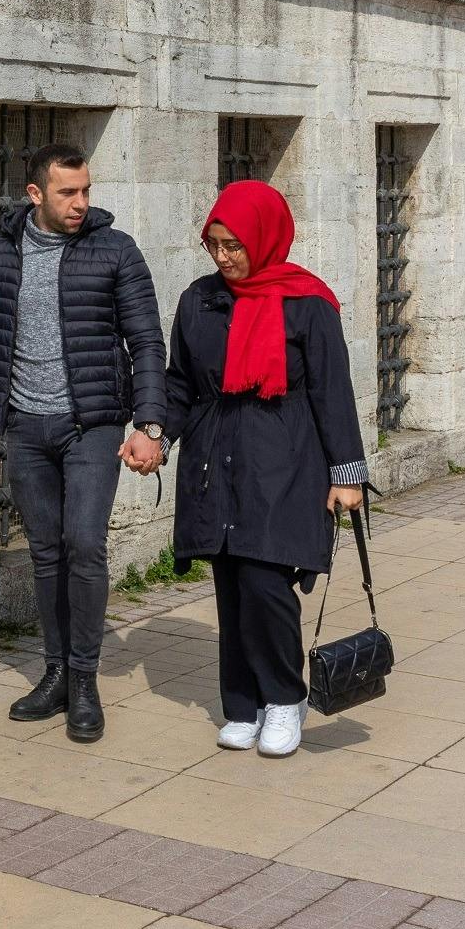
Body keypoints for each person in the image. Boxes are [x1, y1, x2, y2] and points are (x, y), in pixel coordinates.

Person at [0, 143, 168, 743]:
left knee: (86, 546)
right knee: (46, 552)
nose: (80, 203)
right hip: (25, 427)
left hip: (92, 425)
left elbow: (147, 341)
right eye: (67, 192)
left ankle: (84, 680)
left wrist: (150, 426)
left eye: (86, 191)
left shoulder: (116, 250)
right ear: (35, 194)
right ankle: (55, 674)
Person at [166, 182, 366, 758]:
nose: (224, 256)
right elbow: (180, 382)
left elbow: (333, 392)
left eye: (234, 245)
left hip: (285, 461)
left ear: (264, 237)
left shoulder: (307, 303)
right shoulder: (199, 300)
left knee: (265, 580)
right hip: (215, 458)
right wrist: (155, 433)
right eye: (214, 244)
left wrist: (346, 474)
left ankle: (283, 698)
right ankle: (242, 705)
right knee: (230, 583)